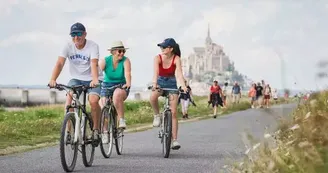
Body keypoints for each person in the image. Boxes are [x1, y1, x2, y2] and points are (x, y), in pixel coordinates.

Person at [48, 22, 103, 141]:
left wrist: (94, 79)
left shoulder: (93, 46)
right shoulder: (68, 46)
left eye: (78, 34)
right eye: (73, 35)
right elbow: (60, 63)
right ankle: (68, 132)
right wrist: (53, 79)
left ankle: (96, 130)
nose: (76, 37)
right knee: (69, 102)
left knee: (93, 101)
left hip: (92, 78)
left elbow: (94, 64)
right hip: (76, 79)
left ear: (85, 34)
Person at [149, 38, 187, 150]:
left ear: (171, 49)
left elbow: (179, 73)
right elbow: (155, 72)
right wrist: (155, 83)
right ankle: (157, 115)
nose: (162, 49)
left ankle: (174, 140)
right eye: (161, 47)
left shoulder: (176, 58)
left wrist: (183, 86)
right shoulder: (158, 58)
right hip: (160, 82)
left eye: (164, 47)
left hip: (171, 83)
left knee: (174, 112)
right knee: (152, 97)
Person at [99, 41, 131, 132]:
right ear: (113, 52)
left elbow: (128, 73)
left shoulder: (126, 60)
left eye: (123, 51)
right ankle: (104, 131)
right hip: (106, 86)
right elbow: (98, 73)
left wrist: (128, 83)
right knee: (103, 105)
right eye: (119, 51)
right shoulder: (104, 61)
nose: (122, 53)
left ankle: (121, 120)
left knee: (117, 94)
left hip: (121, 85)